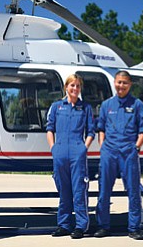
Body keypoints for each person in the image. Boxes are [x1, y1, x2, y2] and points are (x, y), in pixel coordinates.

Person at [94, 70, 143, 240]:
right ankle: (103, 226)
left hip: (128, 153)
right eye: (119, 82)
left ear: (130, 85)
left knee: (133, 190)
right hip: (109, 153)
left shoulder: (137, 104)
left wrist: (136, 147)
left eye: (124, 83)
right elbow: (101, 128)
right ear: (114, 83)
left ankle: (134, 228)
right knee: (104, 190)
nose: (121, 86)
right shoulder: (106, 105)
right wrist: (102, 146)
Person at [46, 74, 95, 239]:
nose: (75, 89)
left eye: (78, 86)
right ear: (66, 87)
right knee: (63, 190)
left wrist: (84, 148)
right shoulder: (56, 107)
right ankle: (64, 225)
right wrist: (53, 148)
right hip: (59, 152)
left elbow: (91, 131)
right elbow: (49, 129)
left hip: (77, 153)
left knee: (79, 190)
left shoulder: (86, 108)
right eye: (72, 85)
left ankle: (81, 226)